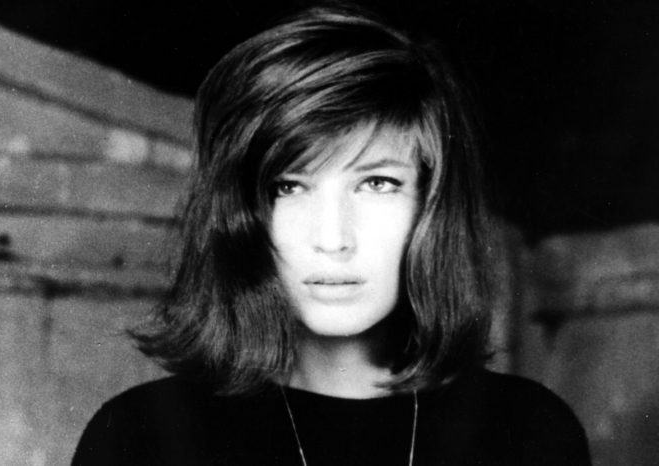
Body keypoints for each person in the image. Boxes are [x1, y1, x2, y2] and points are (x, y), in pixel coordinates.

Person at [72, 5, 591, 465]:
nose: (333, 238)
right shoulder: (139, 439)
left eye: (377, 183)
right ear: (238, 212)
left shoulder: (529, 433)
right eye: (289, 187)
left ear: (430, 205)